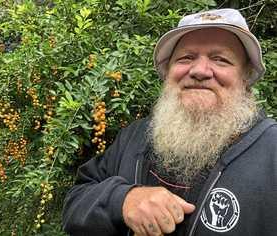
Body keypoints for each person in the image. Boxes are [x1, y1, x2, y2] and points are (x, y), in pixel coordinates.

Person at [62, 8, 277, 236]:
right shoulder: (134, 136)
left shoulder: (272, 152)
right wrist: (122, 200)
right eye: (186, 57)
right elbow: (75, 205)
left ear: (246, 79)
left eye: (220, 59)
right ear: (167, 72)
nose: (199, 71)